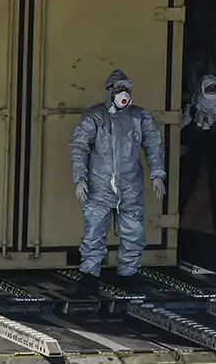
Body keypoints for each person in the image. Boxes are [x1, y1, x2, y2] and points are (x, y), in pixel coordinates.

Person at [70, 69, 165, 291]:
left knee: (133, 232)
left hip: (130, 186)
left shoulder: (139, 117)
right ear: (109, 91)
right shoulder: (94, 117)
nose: (123, 94)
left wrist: (157, 174)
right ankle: (90, 275)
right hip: (98, 186)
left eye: (127, 90)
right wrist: (80, 179)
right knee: (94, 231)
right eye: (118, 89)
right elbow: (79, 147)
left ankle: (128, 274)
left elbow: (154, 146)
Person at [179, 75, 216, 236]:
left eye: (215, 89)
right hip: (196, 166)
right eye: (208, 89)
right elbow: (183, 137)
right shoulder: (191, 110)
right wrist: (197, 125)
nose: (212, 93)